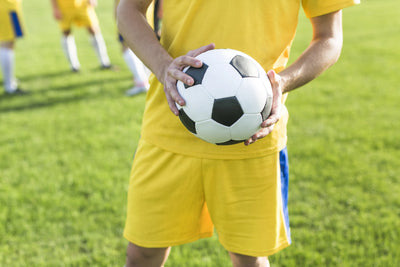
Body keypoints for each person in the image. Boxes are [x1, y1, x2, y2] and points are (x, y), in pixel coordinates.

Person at [117, 0, 360, 266]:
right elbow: (128, 10)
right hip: (167, 129)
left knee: (250, 259)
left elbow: (329, 38)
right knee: (141, 255)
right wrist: (164, 67)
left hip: (254, 138)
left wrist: (283, 81)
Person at [50, 0, 112, 72]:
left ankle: (104, 62)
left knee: (94, 29)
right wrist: (55, 8)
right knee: (66, 32)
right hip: (64, 6)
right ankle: (74, 66)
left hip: (82, 4)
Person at [0, 0, 27, 95]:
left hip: (7, 6)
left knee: (7, 44)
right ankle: (9, 86)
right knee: (7, 44)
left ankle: (9, 79)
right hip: (6, 7)